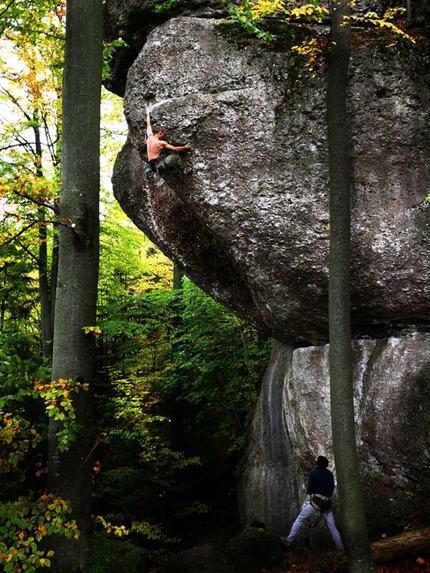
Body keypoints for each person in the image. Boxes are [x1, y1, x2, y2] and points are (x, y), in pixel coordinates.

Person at [280, 455, 344, 551]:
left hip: (316, 501)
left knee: (299, 519)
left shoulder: (314, 474)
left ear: (318, 463)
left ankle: (289, 540)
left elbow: (310, 490)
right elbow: (331, 490)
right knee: (332, 528)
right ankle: (340, 548)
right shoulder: (330, 474)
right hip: (326, 503)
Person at [145, 108, 192, 179]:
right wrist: (185, 147)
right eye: (164, 134)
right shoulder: (160, 143)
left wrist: (148, 113)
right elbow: (175, 149)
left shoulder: (149, 137)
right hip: (158, 165)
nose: (164, 136)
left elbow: (148, 124)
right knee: (175, 156)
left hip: (151, 166)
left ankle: (173, 171)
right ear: (160, 133)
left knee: (164, 155)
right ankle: (184, 171)